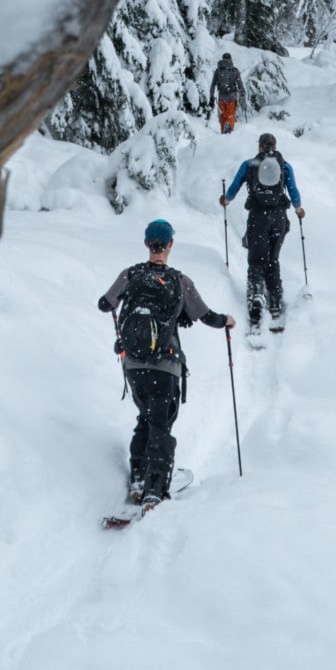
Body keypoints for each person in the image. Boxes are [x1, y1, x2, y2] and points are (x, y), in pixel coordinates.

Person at [98, 219, 236, 512]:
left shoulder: (130, 274)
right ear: (170, 244)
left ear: (147, 244)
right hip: (165, 365)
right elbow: (206, 316)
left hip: (133, 367)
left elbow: (105, 303)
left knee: (145, 419)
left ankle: (138, 480)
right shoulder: (179, 281)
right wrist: (227, 320)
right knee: (160, 424)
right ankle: (154, 489)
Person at [219, 133, 305, 333]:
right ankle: (275, 302)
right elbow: (293, 191)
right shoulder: (285, 166)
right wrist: (299, 209)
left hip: (258, 218)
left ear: (259, 147)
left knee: (257, 260)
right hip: (279, 218)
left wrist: (226, 199)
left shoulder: (249, 165)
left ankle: (256, 298)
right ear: (274, 146)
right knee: (273, 259)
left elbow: (233, 188)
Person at [209, 52, 245, 134]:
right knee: (230, 114)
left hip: (221, 97)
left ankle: (223, 132)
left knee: (223, 115)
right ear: (230, 59)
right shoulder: (234, 70)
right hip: (231, 97)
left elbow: (213, 85)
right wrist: (242, 92)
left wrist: (211, 96)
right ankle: (228, 130)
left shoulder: (218, 71)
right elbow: (239, 83)